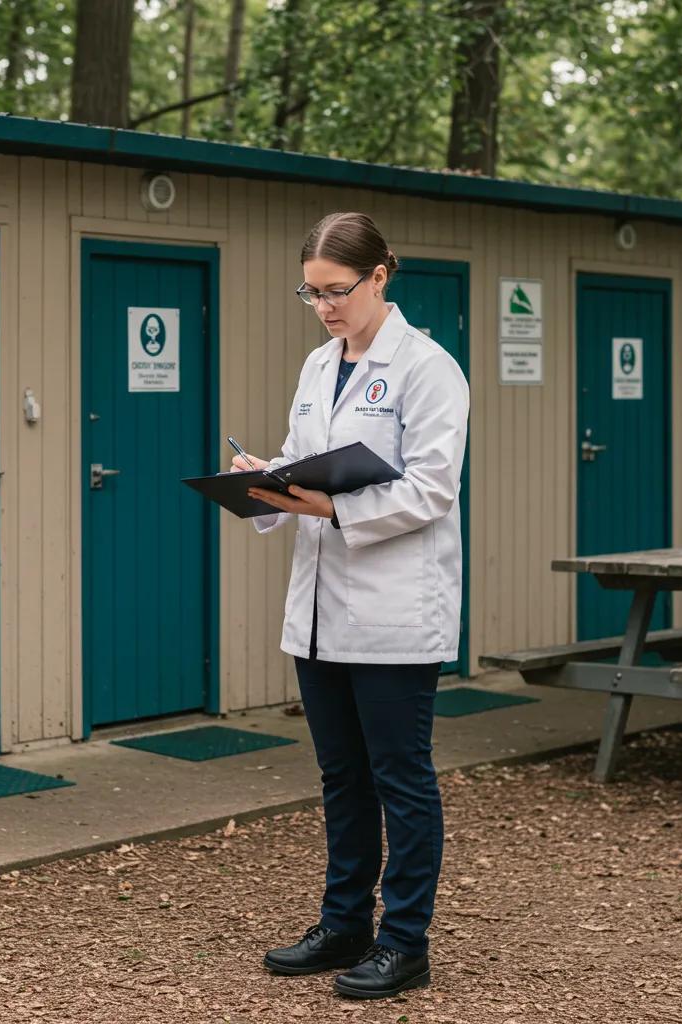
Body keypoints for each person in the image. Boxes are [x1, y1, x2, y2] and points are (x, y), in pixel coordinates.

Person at [230, 212, 469, 1000]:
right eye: (311, 292)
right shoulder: (316, 365)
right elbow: (313, 464)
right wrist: (267, 477)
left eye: (336, 291)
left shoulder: (429, 369)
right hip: (322, 611)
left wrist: (329, 510)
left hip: (397, 611)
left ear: (379, 277)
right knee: (341, 777)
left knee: (401, 779)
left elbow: (432, 489)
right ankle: (344, 926)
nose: (325, 306)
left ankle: (405, 942)